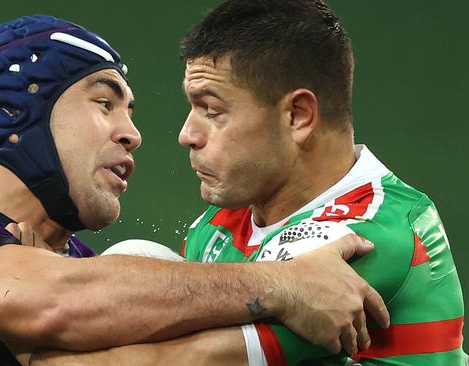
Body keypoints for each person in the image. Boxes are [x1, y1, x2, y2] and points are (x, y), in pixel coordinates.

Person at [0, 14, 389, 366]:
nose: (134, 133)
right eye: (105, 103)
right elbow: (60, 302)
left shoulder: (89, 267)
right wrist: (285, 285)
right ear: (15, 114)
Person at [27, 1, 465, 365]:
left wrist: (24, 343)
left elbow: (179, 361)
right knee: (137, 258)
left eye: (212, 111)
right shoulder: (221, 223)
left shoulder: (370, 231)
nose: (186, 134)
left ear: (298, 116)